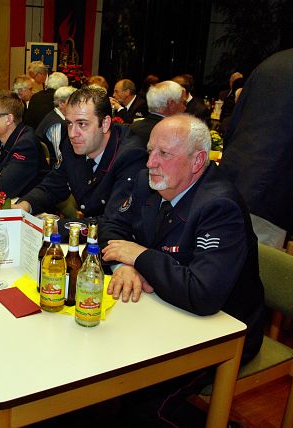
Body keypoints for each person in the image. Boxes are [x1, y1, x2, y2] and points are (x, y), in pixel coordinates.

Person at [99, 114, 264, 426]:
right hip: (162, 311)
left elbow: (202, 294)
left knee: (135, 402)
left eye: (164, 154)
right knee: (104, 373)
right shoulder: (149, 182)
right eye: (150, 151)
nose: (151, 163)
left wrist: (141, 257)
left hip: (220, 331)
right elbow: (111, 226)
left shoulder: (219, 206)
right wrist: (125, 264)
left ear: (197, 160)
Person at [220, 10, 293, 248]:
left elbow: (234, 126)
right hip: (268, 195)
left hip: (228, 181)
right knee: (255, 266)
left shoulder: (271, 62)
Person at [15, 86, 147, 220]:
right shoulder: (72, 145)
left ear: (105, 123)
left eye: (82, 124)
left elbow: (114, 221)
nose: (72, 134)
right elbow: (52, 186)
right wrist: (25, 206)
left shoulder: (130, 156)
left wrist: (53, 227)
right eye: (69, 124)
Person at [128, 80, 187, 148]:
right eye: (183, 103)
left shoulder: (132, 127)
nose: (185, 108)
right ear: (172, 105)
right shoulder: (173, 133)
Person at [34, 85, 77, 166]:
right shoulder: (57, 123)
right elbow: (58, 156)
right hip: (51, 168)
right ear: (61, 104)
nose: (75, 105)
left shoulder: (55, 115)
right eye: (72, 102)